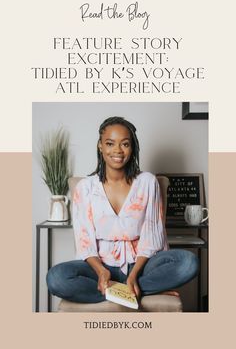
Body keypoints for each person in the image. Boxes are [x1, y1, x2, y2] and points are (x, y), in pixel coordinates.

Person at [47, 116, 199, 304]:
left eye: (125, 144)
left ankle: (125, 289)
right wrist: (102, 272)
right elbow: (84, 241)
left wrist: (134, 274)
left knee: (188, 263)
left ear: (132, 147)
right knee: (56, 278)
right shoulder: (85, 188)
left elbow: (152, 237)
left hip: (142, 265)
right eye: (110, 143)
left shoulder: (147, 182)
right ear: (100, 146)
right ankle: (137, 291)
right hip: (99, 268)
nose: (117, 150)